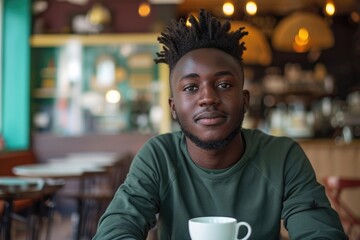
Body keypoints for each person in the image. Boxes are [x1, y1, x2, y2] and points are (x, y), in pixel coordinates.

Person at [93, 9, 347, 240]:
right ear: (173, 107)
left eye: (224, 85)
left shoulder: (282, 157)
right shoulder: (159, 157)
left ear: (245, 100)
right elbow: (116, 229)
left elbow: (320, 232)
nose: (208, 98)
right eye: (191, 88)